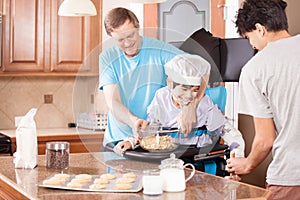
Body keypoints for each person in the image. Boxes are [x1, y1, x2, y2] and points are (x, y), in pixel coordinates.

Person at [226, 0, 300, 199]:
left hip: (291, 176)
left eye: (249, 37)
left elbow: (265, 140)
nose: (251, 45)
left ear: (260, 29)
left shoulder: (255, 68)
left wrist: (248, 164)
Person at [99, 7, 200, 148]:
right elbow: (113, 101)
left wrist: (190, 106)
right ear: (111, 36)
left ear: (138, 27)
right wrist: (134, 121)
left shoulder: (159, 50)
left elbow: (197, 69)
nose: (127, 43)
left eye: (130, 35)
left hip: (153, 140)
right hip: (117, 141)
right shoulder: (108, 58)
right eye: (120, 40)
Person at [115, 54, 245, 158]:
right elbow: (150, 129)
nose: (189, 96)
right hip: (169, 160)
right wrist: (132, 141)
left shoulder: (204, 104)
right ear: (170, 83)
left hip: (197, 159)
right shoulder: (161, 97)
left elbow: (229, 133)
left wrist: (238, 156)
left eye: (195, 90)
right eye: (184, 89)